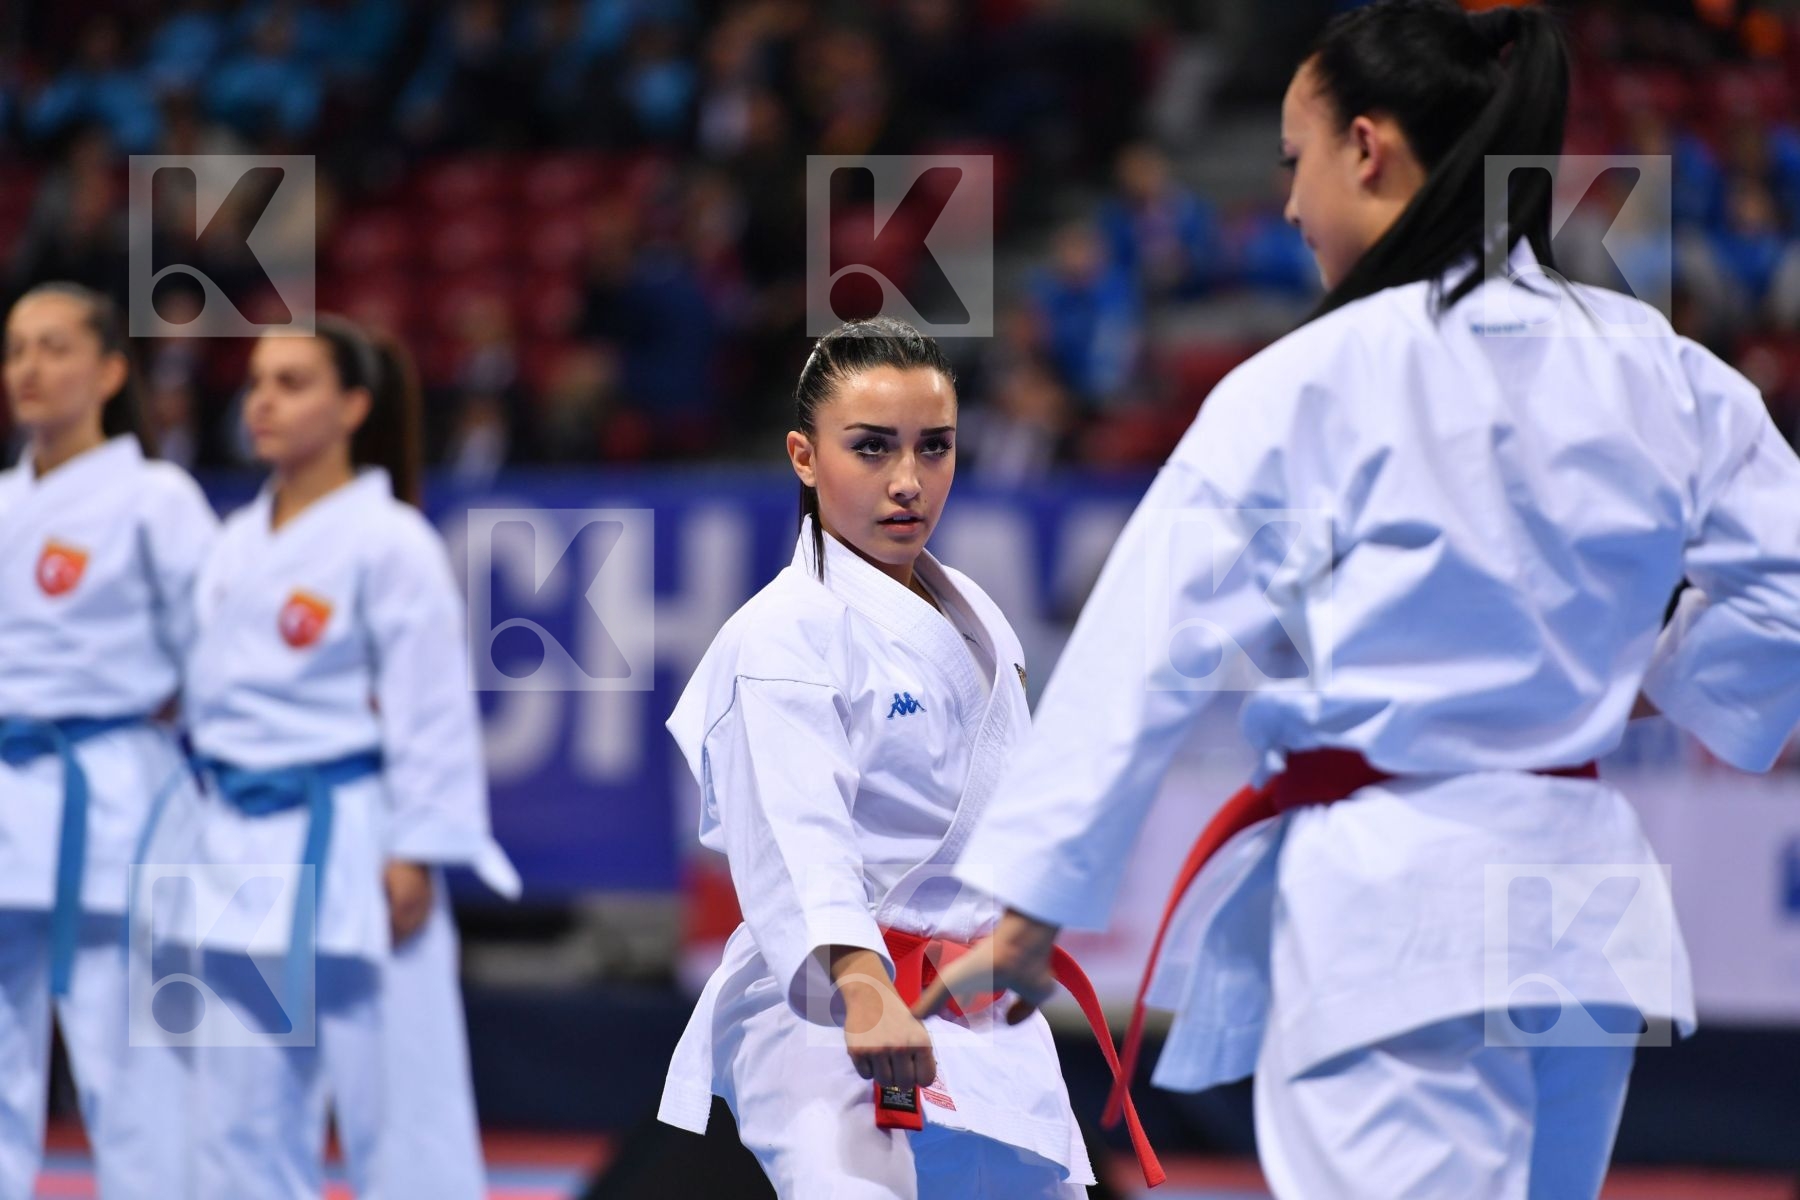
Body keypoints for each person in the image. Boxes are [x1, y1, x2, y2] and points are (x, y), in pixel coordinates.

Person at [918, 3, 1800, 1198]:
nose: (1287, 205)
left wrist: (1028, 914)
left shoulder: (1310, 383)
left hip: (1401, 917)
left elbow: (1147, 651)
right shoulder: (1655, 364)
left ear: (1369, 149)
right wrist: (1662, 683)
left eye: (1298, 162)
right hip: (1583, 918)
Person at [659, 317, 1151, 1197]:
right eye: (872, 448)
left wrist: (1023, 925)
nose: (908, 482)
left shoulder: (978, 619)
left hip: (975, 1003)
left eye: (935, 448)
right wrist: (859, 980)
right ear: (805, 458)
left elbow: (1014, 802)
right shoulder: (782, 638)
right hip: (832, 1011)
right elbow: (795, 833)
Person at [177, 316, 520, 1199]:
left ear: (354, 406)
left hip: (353, 843)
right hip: (226, 847)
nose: (262, 401)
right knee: (230, 1122)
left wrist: (418, 848)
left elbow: (431, 709)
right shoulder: (230, 544)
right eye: (257, 381)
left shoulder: (390, 542)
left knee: (405, 1114)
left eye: (293, 382)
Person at [0, 281, 217, 1198]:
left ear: (111, 369)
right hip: (7, 796)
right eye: (15, 350)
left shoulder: (156, 498)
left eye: (54, 347)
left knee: (138, 1075)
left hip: (120, 799)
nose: (29, 369)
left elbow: (224, 660)